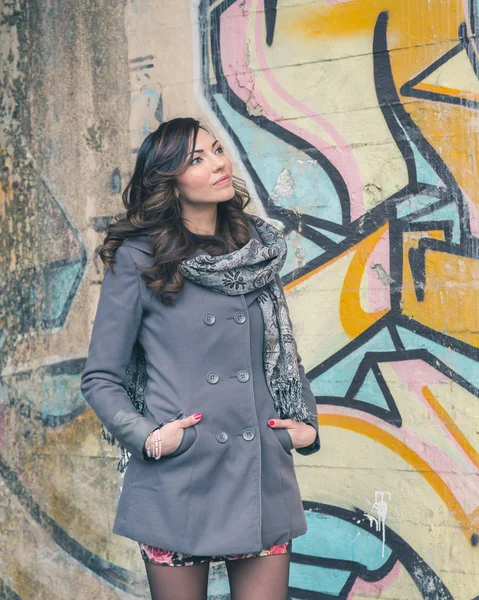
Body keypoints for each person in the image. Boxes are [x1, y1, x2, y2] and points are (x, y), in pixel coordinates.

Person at [80, 117, 320, 600]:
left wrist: (304, 426)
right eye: (196, 159)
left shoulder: (255, 251)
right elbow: (100, 377)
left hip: (258, 475)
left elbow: (279, 353)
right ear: (168, 182)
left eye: (216, 150)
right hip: (179, 477)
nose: (218, 164)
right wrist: (150, 438)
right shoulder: (139, 258)